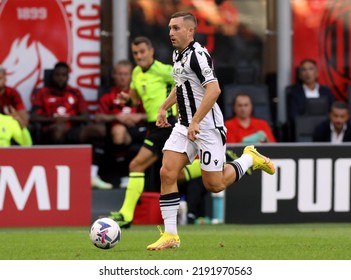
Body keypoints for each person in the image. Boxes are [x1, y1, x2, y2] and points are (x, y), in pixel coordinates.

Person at [146, 11, 275, 251]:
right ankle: (171, 235)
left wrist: (196, 121)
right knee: (167, 171)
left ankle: (249, 158)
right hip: (185, 124)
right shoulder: (178, 54)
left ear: (190, 31)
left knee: (214, 184)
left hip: (207, 127)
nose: (170, 32)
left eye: (175, 28)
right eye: (170, 28)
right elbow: (181, 85)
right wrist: (164, 106)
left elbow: (214, 90)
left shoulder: (198, 55)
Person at [108, 36, 202, 228]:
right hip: (154, 127)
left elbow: (187, 84)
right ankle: (215, 163)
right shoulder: (136, 73)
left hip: (168, 125)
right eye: (135, 53)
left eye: (142, 52)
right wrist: (127, 99)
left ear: (151, 51)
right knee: (175, 174)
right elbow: (134, 100)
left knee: (136, 165)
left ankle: (126, 215)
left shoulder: (165, 70)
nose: (139, 56)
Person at [30, 62, 112, 189]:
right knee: (58, 130)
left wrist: (68, 118)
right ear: (53, 76)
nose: (60, 78)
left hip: (73, 128)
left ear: (68, 77)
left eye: (63, 75)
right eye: (57, 75)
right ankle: (56, 175)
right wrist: (54, 119)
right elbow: (33, 116)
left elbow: (85, 116)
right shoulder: (43, 93)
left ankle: (92, 174)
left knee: (99, 130)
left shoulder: (75, 92)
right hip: (51, 129)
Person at [83, 60, 147, 189]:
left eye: (125, 74)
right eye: (119, 74)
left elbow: (152, 114)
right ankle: (124, 178)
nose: (122, 77)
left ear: (131, 76)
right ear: (114, 75)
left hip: (138, 130)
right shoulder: (108, 95)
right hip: (116, 131)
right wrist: (116, 117)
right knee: (118, 131)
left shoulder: (139, 93)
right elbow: (98, 116)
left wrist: (138, 116)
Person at [286, 59, 335, 141]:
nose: (307, 73)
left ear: (317, 73)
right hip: (303, 132)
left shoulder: (326, 91)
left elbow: (333, 111)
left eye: (311, 69)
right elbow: (293, 116)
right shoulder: (294, 93)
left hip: (325, 131)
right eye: (304, 70)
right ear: (300, 75)